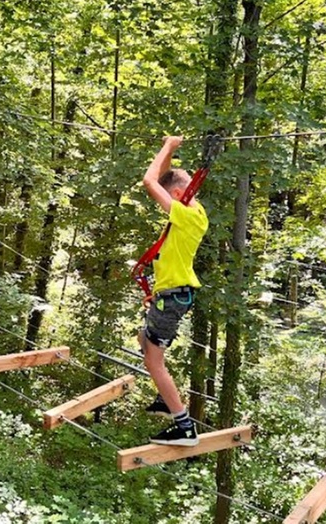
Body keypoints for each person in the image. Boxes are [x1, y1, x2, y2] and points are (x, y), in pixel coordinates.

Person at [138, 135, 209, 447]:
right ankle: (167, 399)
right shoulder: (193, 211)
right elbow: (165, 180)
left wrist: (167, 146)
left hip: (174, 298)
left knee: (154, 362)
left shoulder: (187, 216)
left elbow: (149, 181)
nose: (163, 206)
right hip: (170, 295)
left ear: (178, 196)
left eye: (169, 200)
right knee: (144, 339)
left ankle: (184, 427)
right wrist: (171, 153)